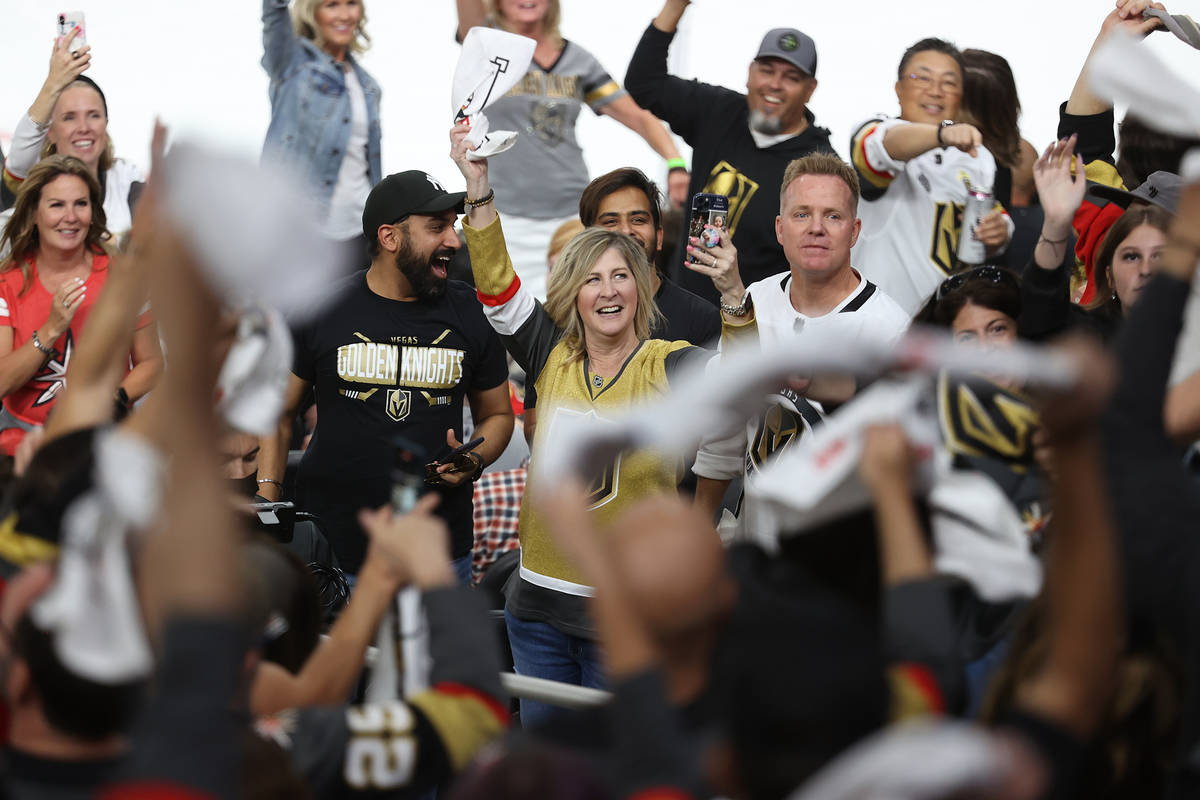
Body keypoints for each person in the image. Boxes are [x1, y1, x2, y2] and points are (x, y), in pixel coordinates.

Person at [450, 120, 753, 727]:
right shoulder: (549, 353)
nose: (607, 291)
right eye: (592, 279)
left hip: (627, 617)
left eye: (621, 278)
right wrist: (478, 187)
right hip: (534, 609)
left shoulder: (668, 365)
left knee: (618, 770)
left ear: (640, 289)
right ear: (574, 292)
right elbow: (497, 287)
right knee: (550, 768)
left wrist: (732, 293)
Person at [256, 169, 515, 583]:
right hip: (335, 551)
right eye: (437, 227)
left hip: (437, 553)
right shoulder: (322, 307)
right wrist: (267, 502)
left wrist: (473, 458)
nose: (452, 240)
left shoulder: (471, 311)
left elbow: (499, 415)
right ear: (389, 238)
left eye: (452, 226)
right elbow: (279, 412)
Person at [692, 153, 910, 541]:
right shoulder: (755, 298)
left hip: (839, 548)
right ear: (780, 228)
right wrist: (697, 525)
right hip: (754, 538)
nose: (816, 228)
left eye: (832, 216)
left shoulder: (889, 329)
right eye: (801, 214)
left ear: (854, 230)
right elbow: (726, 423)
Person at [455, 0, 688, 300]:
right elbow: (470, 24)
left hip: (569, 217)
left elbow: (639, 116)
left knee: (574, 318)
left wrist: (676, 162)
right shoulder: (489, 47)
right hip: (504, 216)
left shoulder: (577, 60)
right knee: (503, 315)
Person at [627, 0, 835, 304]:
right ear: (750, 73)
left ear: (810, 89)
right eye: (767, 70)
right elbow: (643, 82)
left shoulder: (819, 166)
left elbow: (820, 263)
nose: (775, 85)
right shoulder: (719, 111)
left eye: (791, 78)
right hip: (678, 309)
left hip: (753, 325)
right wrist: (677, 5)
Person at [524, 167, 722, 444]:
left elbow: (725, 426)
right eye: (610, 222)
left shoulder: (702, 319)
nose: (625, 232)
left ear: (660, 235)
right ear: (587, 240)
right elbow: (535, 425)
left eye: (638, 219)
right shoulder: (560, 317)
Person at [0, 155, 161, 456]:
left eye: (81, 204)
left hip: (102, 439)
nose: (71, 216)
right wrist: (51, 330)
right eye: (57, 205)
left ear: (93, 210)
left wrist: (114, 399)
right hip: (19, 444)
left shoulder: (125, 275)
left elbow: (152, 363)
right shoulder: (7, 281)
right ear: (34, 212)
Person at [849, 37, 1015, 315]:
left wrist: (1001, 230)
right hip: (878, 324)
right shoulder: (876, 130)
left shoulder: (977, 156)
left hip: (946, 327)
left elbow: (991, 213)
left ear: (961, 95)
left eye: (949, 82)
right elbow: (879, 149)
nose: (935, 91)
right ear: (898, 89)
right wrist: (943, 133)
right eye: (922, 78)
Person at [262, 0, 381, 267]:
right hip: (302, 234)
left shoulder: (369, 86)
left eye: (351, 4)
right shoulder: (292, 64)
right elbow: (273, 13)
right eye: (331, 5)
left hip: (361, 234)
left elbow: (366, 165)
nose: (344, 14)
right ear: (311, 12)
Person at [3, 29, 144, 239]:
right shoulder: (33, 186)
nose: (83, 127)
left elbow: (148, 246)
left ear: (106, 124)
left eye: (94, 115)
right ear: (49, 131)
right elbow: (18, 164)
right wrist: (53, 84)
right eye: (69, 117)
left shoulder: (125, 178)